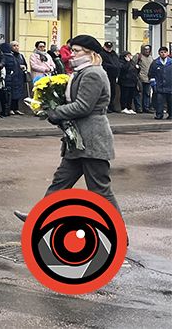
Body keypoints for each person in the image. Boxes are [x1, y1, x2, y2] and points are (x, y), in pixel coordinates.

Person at [15, 35, 119, 221]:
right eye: (72, 50)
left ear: (90, 53)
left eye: (76, 51)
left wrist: (54, 112)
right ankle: (39, 218)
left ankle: (119, 233)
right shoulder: (82, 72)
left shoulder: (93, 73)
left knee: (100, 190)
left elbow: (83, 106)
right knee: (60, 182)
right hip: (79, 141)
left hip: (92, 140)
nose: (72, 54)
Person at [3, 41, 28, 116]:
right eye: (14, 46)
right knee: (12, 93)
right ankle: (10, 109)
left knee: (18, 93)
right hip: (13, 76)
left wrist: (24, 67)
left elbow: (25, 64)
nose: (16, 47)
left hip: (20, 76)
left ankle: (16, 108)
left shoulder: (21, 56)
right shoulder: (9, 55)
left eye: (17, 45)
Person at [101, 41, 124, 114]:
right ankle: (106, 106)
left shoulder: (113, 54)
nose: (109, 49)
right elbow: (103, 64)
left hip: (113, 75)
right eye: (107, 47)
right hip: (106, 75)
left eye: (110, 48)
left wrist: (118, 66)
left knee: (113, 92)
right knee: (106, 91)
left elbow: (117, 62)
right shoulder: (101, 53)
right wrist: (112, 67)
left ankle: (111, 106)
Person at [151, 46, 172, 120]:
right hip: (159, 86)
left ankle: (171, 115)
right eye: (161, 52)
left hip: (170, 86)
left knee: (170, 102)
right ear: (159, 53)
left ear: (167, 53)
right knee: (159, 102)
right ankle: (159, 115)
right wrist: (153, 84)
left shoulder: (170, 62)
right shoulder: (155, 63)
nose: (163, 54)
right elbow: (151, 74)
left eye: (165, 52)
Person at [135, 45, 155, 114]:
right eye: (145, 49)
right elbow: (133, 65)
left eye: (148, 49)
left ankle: (146, 107)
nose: (147, 51)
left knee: (147, 93)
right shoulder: (138, 56)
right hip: (140, 78)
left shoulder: (151, 58)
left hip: (148, 78)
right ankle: (139, 108)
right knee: (139, 93)